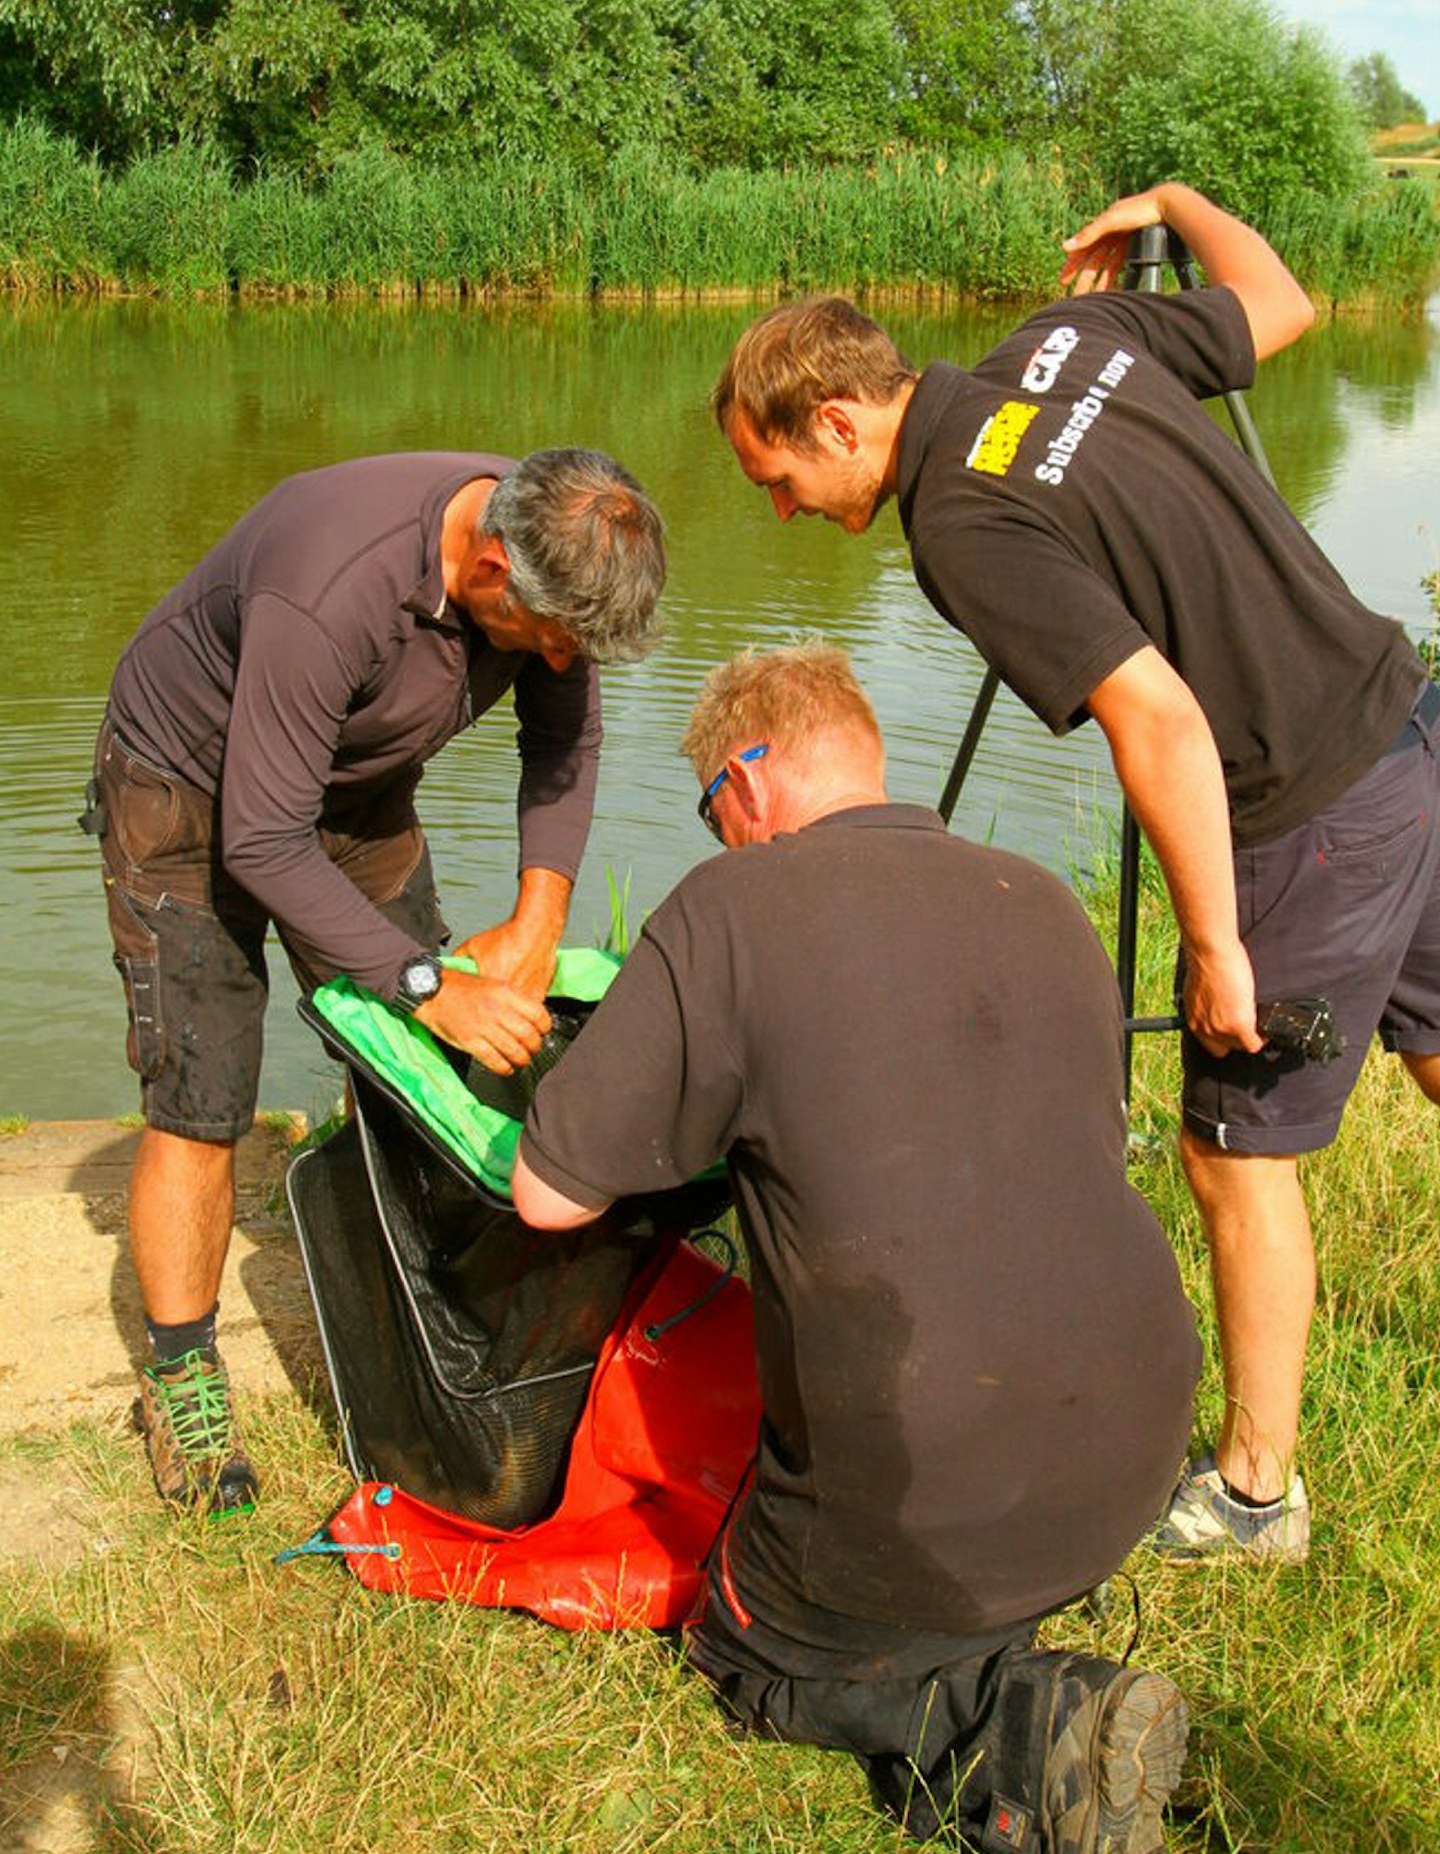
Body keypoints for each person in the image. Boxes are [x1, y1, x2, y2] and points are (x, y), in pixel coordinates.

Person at [709, 182, 1440, 1563]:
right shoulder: (1067, 342)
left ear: (842, 423)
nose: (789, 511)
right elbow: (1284, 303)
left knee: (1234, 1150)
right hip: (1406, 720)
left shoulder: (961, 521)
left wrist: (1219, 939)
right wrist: (1180, 201)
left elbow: (1157, 715)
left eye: (780, 480)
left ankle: (1255, 1493)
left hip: (1304, 797)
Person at [513, 644, 1200, 1853]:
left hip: (926, 1498)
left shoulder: (735, 904)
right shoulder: (1037, 894)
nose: (719, 833)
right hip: (1135, 1458)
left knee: (742, 1647)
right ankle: (1010, 1651)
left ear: (752, 775)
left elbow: (547, 1197)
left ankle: (1006, 1731)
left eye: (711, 805)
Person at [87, 445, 665, 1515]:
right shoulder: (332, 587)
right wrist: (426, 980)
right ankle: (180, 1376)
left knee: (420, 1063)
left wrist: (537, 926)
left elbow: (563, 745)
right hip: (186, 797)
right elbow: (260, 839)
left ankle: (421, 1312)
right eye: (550, 640)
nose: (558, 660)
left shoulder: (558, 553)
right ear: (491, 569)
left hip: (350, 794)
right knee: (203, 1095)